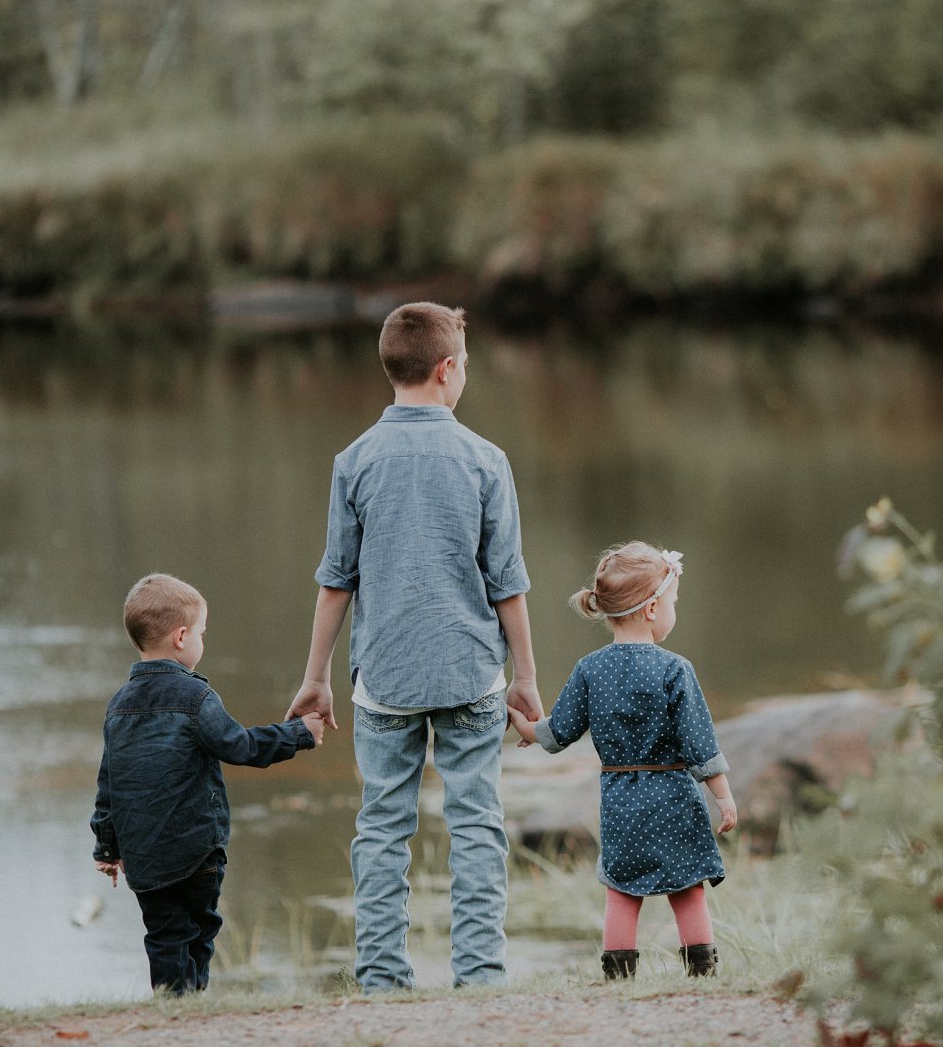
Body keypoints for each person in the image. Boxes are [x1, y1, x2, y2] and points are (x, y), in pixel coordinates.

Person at [286, 302, 540, 992]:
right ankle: (481, 976)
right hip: (471, 672)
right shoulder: (486, 460)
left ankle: (380, 979)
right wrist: (526, 676)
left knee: (382, 830)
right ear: (447, 370)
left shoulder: (355, 461)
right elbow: (507, 586)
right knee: (477, 824)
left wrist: (317, 677)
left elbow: (336, 583)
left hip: (384, 679)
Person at [508, 542, 738, 979]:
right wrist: (724, 796)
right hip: (672, 795)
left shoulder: (589, 669)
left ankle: (617, 979)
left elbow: (558, 734)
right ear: (651, 609)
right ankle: (702, 975)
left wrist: (525, 727)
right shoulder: (675, 669)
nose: (673, 612)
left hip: (620, 801)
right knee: (688, 888)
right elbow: (699, 742)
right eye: (672, 603)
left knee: (621, 892)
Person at [91, 573, 324, 996]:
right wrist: (300, 734)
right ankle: (187, 1009)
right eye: (201, 632)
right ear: (181, 638)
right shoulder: (196, 699)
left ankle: (176, 1009)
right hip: (196, 850)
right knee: (198, 932)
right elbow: (241, 746)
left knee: (165, 936)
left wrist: (107, 848)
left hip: (144, 856)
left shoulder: (118, 706)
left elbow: (109, 781)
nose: (202, 639)